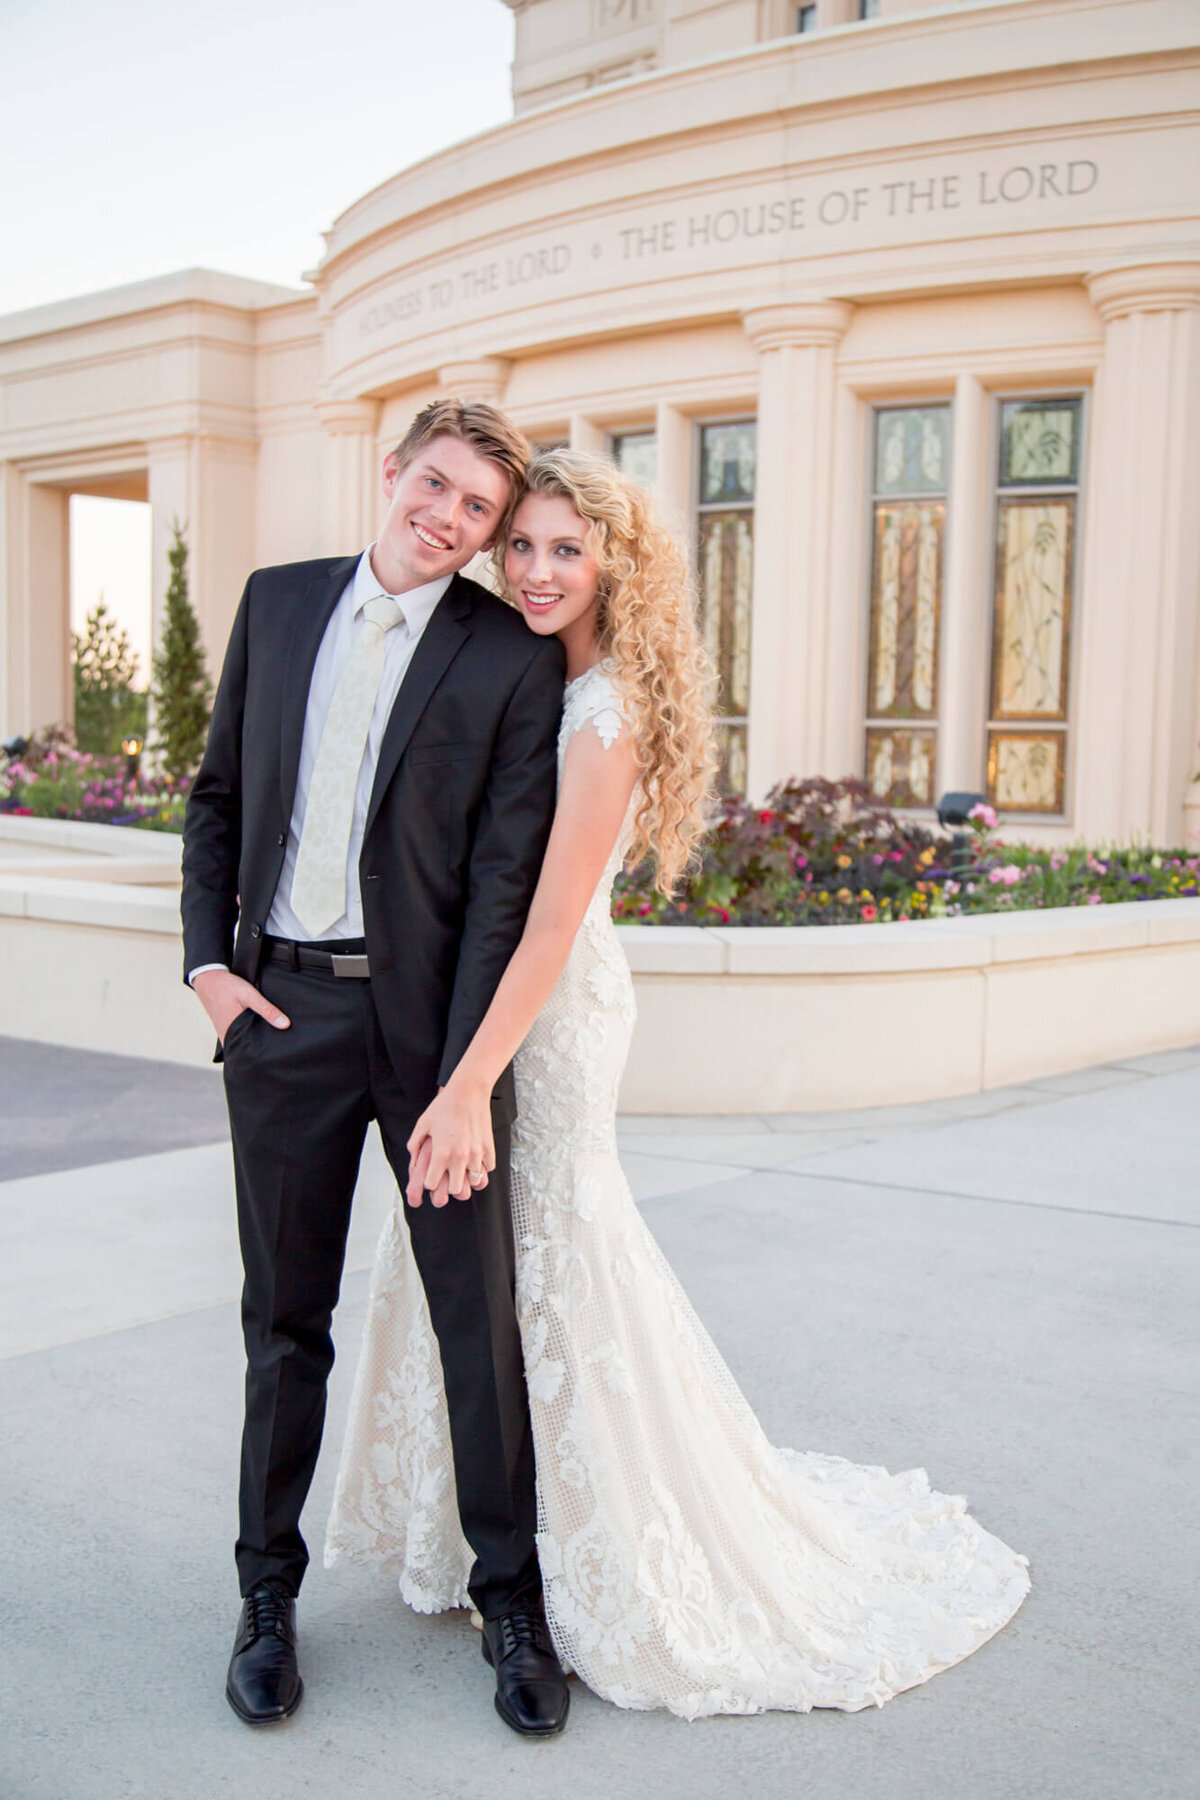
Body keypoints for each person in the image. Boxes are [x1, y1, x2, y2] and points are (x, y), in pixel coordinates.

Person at [326, 449, 1031, 1721]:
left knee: (559, 1255)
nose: (536, 572)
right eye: (522, 546)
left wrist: (470, 1079)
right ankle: (489, 1534)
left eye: (565, 551)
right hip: (484, 1011)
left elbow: (546, 926)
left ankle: (601, 1551)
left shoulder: (604, 713)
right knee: (478, 1268)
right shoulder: (525, 669)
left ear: (616, 567)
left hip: (545, 1017)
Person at [182, 400, 572, 1737]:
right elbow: (218, 796)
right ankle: (265, 1600)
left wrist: (465, 1081)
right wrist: (210, 972)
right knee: (283, 1329)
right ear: (394, 472)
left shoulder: (508, 658)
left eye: (479, 510)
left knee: (478, 1322)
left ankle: (512, 1603)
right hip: (280, 1020)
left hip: (430, 1042)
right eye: (441, 488)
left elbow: (504, 892)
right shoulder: (277, 603)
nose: (453, 522)